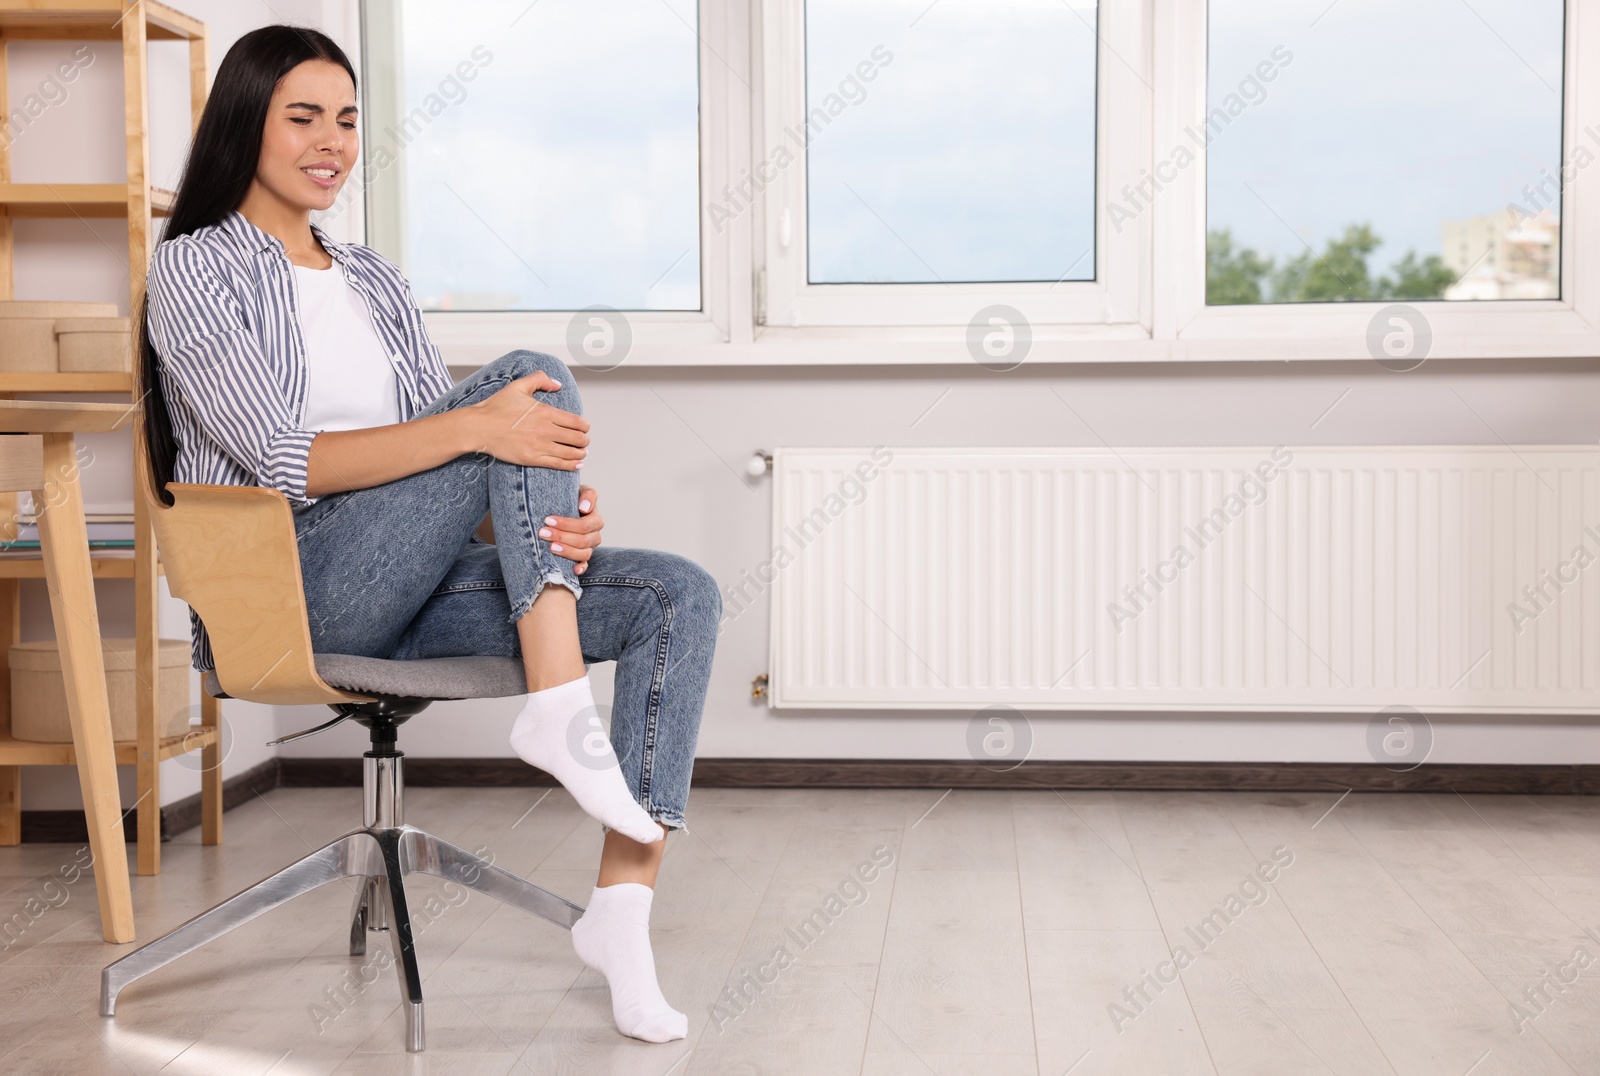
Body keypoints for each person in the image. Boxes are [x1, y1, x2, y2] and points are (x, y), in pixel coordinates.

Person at [137, 24, 720, 1044]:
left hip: (413, 581)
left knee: (679, 593)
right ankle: (555, 703)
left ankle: (621, 917)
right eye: (304, 116)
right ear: (247, 126)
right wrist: (483, 427)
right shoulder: (195, 269)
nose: (332, 141)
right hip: (297, 586)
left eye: (349, 120)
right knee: (526, 373)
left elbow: (470, 467)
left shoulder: (371, 277)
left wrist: (553, 521)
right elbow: (284, 456)